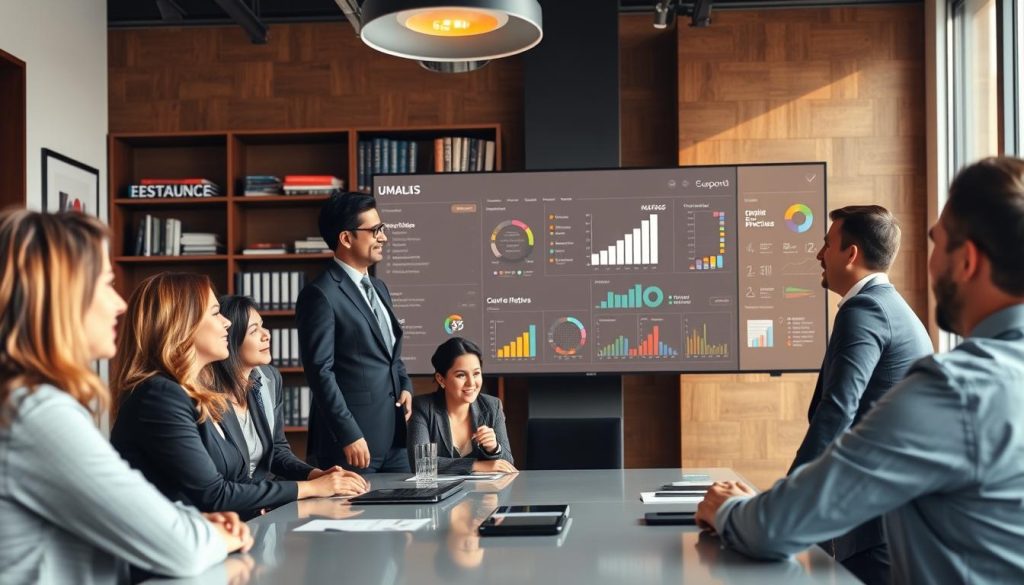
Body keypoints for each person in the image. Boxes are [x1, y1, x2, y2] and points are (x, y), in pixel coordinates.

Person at [696, 156, 1024, 583]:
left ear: (967, 262)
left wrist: (733, 509)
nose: (929, 264)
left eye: (937, 243)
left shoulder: (955, 390)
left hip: (862, 527)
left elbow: (835, 414)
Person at [0, 210, 251, 584]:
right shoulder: (36, 414)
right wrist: (207, 533)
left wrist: (193, 524)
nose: (119, 304)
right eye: (105, 283)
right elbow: (180, 549)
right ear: (62, 297)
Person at [111, 273, 363, 520]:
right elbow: (213, 493)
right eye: (214, 313)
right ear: (182, 324)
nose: (227, 323)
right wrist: (312, 489)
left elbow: (242, 477)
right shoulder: (160, 395)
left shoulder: (197, 392)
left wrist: (308, 481)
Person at [788, 205, 932, 584]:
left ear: (851, 254)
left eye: (827, 244)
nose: (819, 255)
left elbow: (837, 409)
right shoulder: (891, 308)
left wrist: (789, 497)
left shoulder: (865, 309)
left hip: (875, 518)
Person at [296, 192, 413, 473]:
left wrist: (405, 384)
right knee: (357, 517)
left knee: (409, 516)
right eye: (374, 231)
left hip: (394, 439)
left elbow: (389, 353)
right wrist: (348, 432)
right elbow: (320, 372)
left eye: (382, 229)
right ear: (346, 238)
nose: (383, 237)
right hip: (351, 444)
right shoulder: (320, 294)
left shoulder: (380, 287)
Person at [209, 294, 368, 491]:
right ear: (230, 341)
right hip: (234, 503)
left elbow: (277, 451)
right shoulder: (207, 394)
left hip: (266, 496)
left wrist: (315, 475)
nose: (266, 334)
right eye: (253, 330)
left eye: (262, 325)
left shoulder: (269, 378)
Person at [408, 337, 517, 474]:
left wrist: (494, 448)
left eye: (476, 373)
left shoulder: (492, 406)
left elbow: (507, 465)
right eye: (461, 375)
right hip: (440, 494)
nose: (471, 383)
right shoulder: (422, 407)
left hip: (484, 493)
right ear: (441, 379)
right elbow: (421, 463)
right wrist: (477, 465)